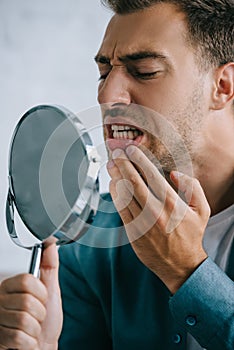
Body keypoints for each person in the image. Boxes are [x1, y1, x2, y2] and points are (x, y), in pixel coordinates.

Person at [0, 0, 233, 349]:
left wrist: (186, 271)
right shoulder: (87, 248)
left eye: (144, 71)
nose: (107, 95)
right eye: (104, 72)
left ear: (223, 86)